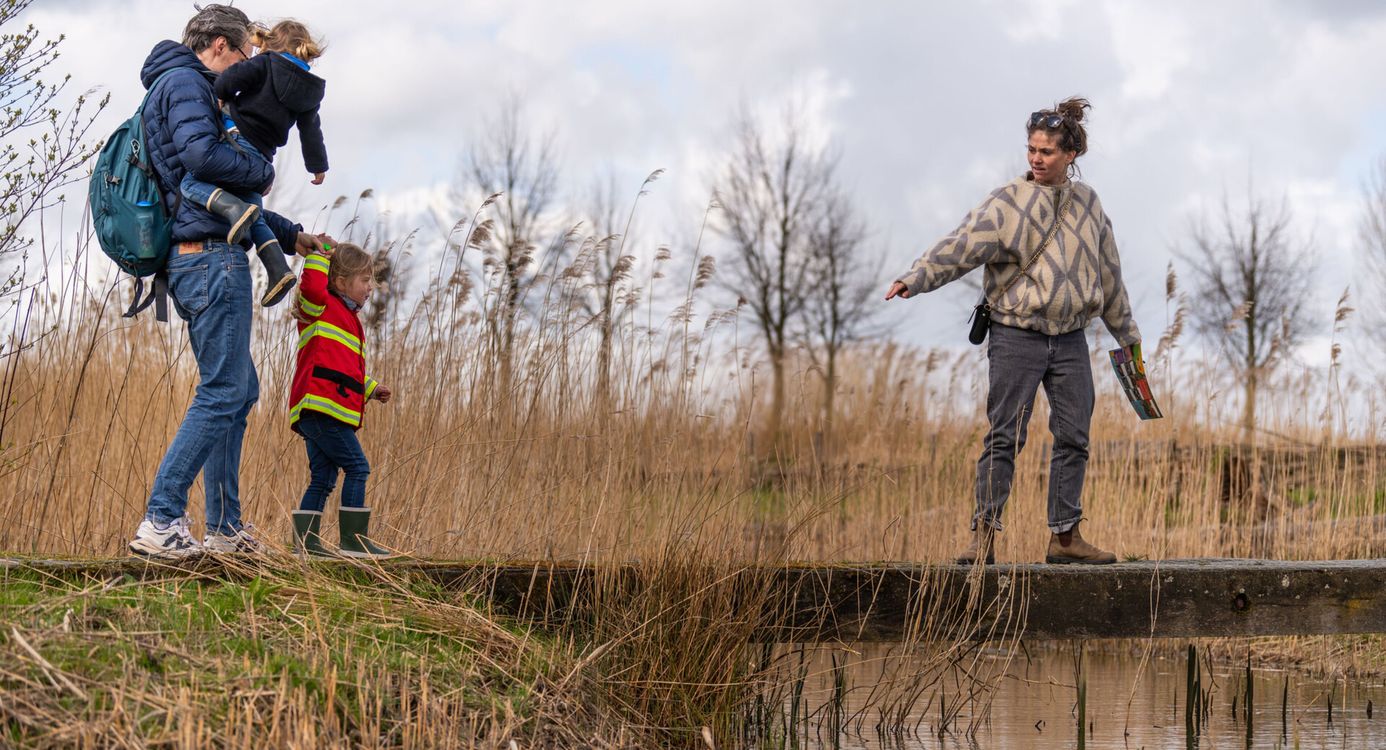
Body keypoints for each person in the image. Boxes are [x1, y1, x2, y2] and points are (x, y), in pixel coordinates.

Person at [885, 97, 1142, 566]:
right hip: (1015, 337)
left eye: (1046, 151)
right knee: (1005, 437)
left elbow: (1109, 277)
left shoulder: (1089, 205)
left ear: (1071, 155)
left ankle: (1065, 540)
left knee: (1075, 438)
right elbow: (960, 246)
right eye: (1031, 149)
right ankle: (983, 538)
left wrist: (1128, 338)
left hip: (1069, 341)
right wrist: (915, 278)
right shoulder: (1007, 203)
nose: (1036, 158)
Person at [128, 5, 328, 559]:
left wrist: (292, 236)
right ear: (220, 46)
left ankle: (224, 530)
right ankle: (162, 519)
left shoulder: (181, 87)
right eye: (245, 55)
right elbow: (201, 158)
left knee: (238, 391)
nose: (247, 69)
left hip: (205, 253)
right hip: (210, 260)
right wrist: (264, 171)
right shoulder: (189, 85)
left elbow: (222, 195)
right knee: (222, 392)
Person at [177, 18, 329, 308]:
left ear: (271, 44)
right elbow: (311, 131)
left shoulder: (265, 64)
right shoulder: (309, 90)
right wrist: (317, 166)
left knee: (190, 183)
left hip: (237, 138)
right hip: (263, 153)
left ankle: (230, 207)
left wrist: (220, 96)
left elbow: (229, 80)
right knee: (253, 210)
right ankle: (277, 268)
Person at [288, 243, 394, 559]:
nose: (370, 286)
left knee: (323, 478)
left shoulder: (350, 321)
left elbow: (344, 370)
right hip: (320, 410)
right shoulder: (319, 307)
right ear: (340, 282)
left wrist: (371, 388)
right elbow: (311, 288)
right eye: (364, 280)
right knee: (358, 467)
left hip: (327, 410)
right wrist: (319, 257)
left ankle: (305, 546)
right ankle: (354, 542)